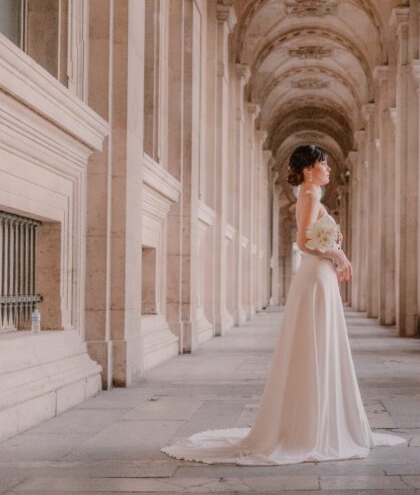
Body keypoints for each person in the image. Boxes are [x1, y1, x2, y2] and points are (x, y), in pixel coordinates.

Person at [161, 143, 406, 465]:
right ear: (309, 170)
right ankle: (310, 428)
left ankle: (316, 422)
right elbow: (303, 241)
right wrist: (338, 253)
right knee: (314, 346)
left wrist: (333, 246)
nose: (329, 170)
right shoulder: (308, 196)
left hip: (320, 277)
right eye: (324, 164)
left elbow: (312, 238)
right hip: (316, 277)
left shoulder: (311, 196)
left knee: (318, 346)